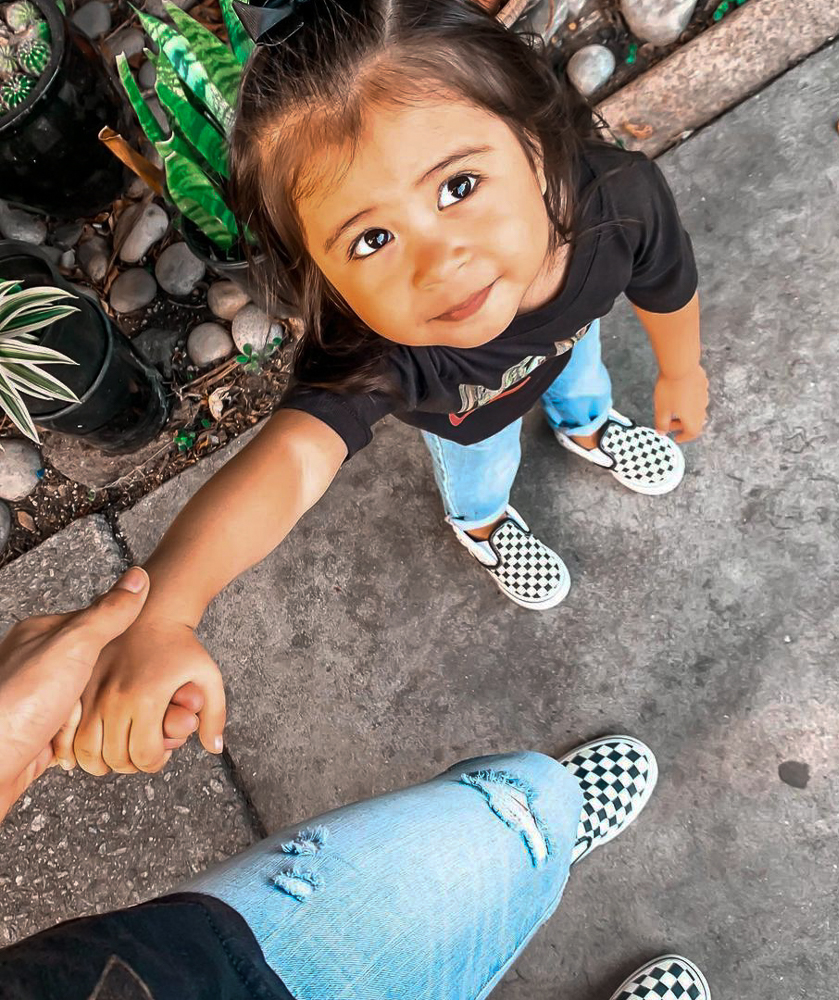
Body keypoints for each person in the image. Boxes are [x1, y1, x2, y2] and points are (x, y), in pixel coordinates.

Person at [68, 0, 706, 776]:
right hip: (474, 421)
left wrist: (682, 368)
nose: (438, 263)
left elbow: (667, 286)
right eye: (371, 240)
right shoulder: (372, 350)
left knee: (582, 371)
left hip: (570, 337)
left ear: (535, 147)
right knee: (482, 476)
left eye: (458, 185)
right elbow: (295, 459)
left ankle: (588, 427)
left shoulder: (621, 202)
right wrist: (166, 608)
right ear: (322, 278)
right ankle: (481, 527)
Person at [0, 576, 711, 1000]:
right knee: (531, 812)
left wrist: (9, 749)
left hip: (231, 972)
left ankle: (538, 859)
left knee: (533, 805)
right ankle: (537, 861)